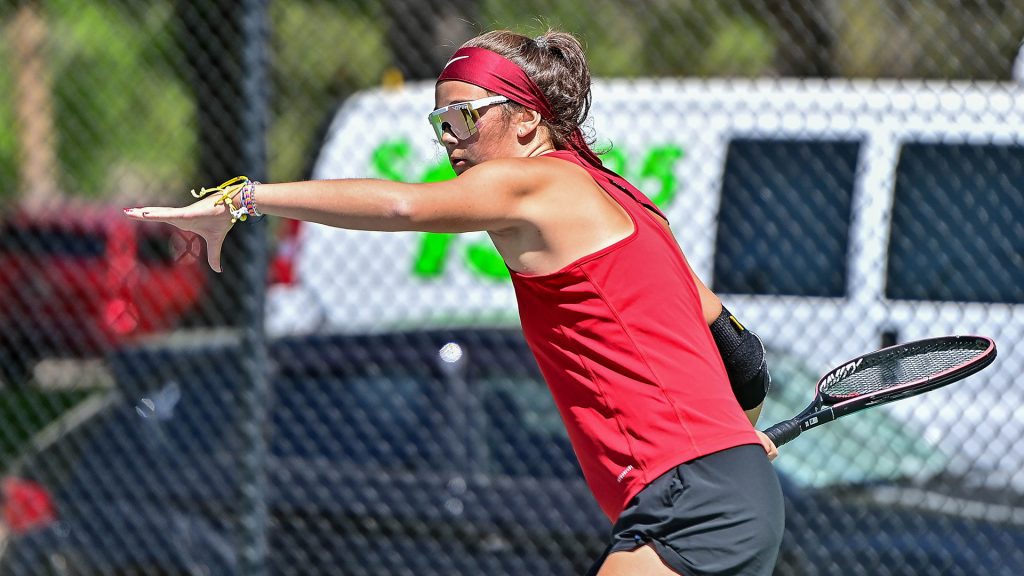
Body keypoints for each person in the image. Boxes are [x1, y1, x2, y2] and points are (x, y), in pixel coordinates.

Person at [125, 29, 784, 576]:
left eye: (465, 117)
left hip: (689, 501)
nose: (448, 138)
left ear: (527, 120)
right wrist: (734, 436)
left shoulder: (536, 186)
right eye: (440, 122)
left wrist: (244, 199)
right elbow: (741, 354)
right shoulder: (630, 205)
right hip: (724, 489)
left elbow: (403, 206)